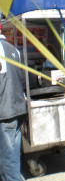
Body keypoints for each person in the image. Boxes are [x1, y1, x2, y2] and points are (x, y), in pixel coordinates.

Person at [0, 22, 27, 181]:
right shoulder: (14, 50)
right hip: (16, 110)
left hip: (5, 113)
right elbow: (22, 79)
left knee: (7, 161)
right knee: (12, 157)